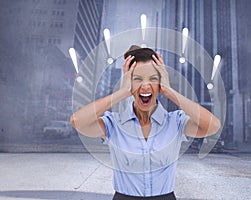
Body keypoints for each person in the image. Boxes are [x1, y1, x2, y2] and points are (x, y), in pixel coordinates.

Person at [70, 45, 221, 200]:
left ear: (160, 82)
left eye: (153, 78)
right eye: (137, 79)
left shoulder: (175, 122)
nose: (145, 86)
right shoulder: (114, 124)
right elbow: (77, 121)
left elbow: (213, 126)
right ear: (129, 82)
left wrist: (169, 91)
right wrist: (122, 92)